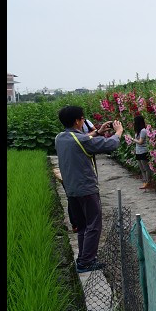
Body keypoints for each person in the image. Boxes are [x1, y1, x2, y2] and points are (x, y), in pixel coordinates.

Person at [55, 105, 124, 272]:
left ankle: (83, 258)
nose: (84, 121)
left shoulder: (60, 137)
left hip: (71, 189)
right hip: (86, 188)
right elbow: (110, 145)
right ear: (78, 120)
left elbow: (83, 139)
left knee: (82, 226)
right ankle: (86, 262)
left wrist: (98, 131)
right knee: (94, 225)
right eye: (83, 118)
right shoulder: (83, 140)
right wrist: (118, 131)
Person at [134, 114, 154, 190]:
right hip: (138, 151)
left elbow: (140, 142)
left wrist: (132, 139)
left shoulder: (143, 130)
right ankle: (145, 181)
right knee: (142, 168)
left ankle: (148, 182)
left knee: (146, 168)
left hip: (143, 151)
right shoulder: (138, 131)